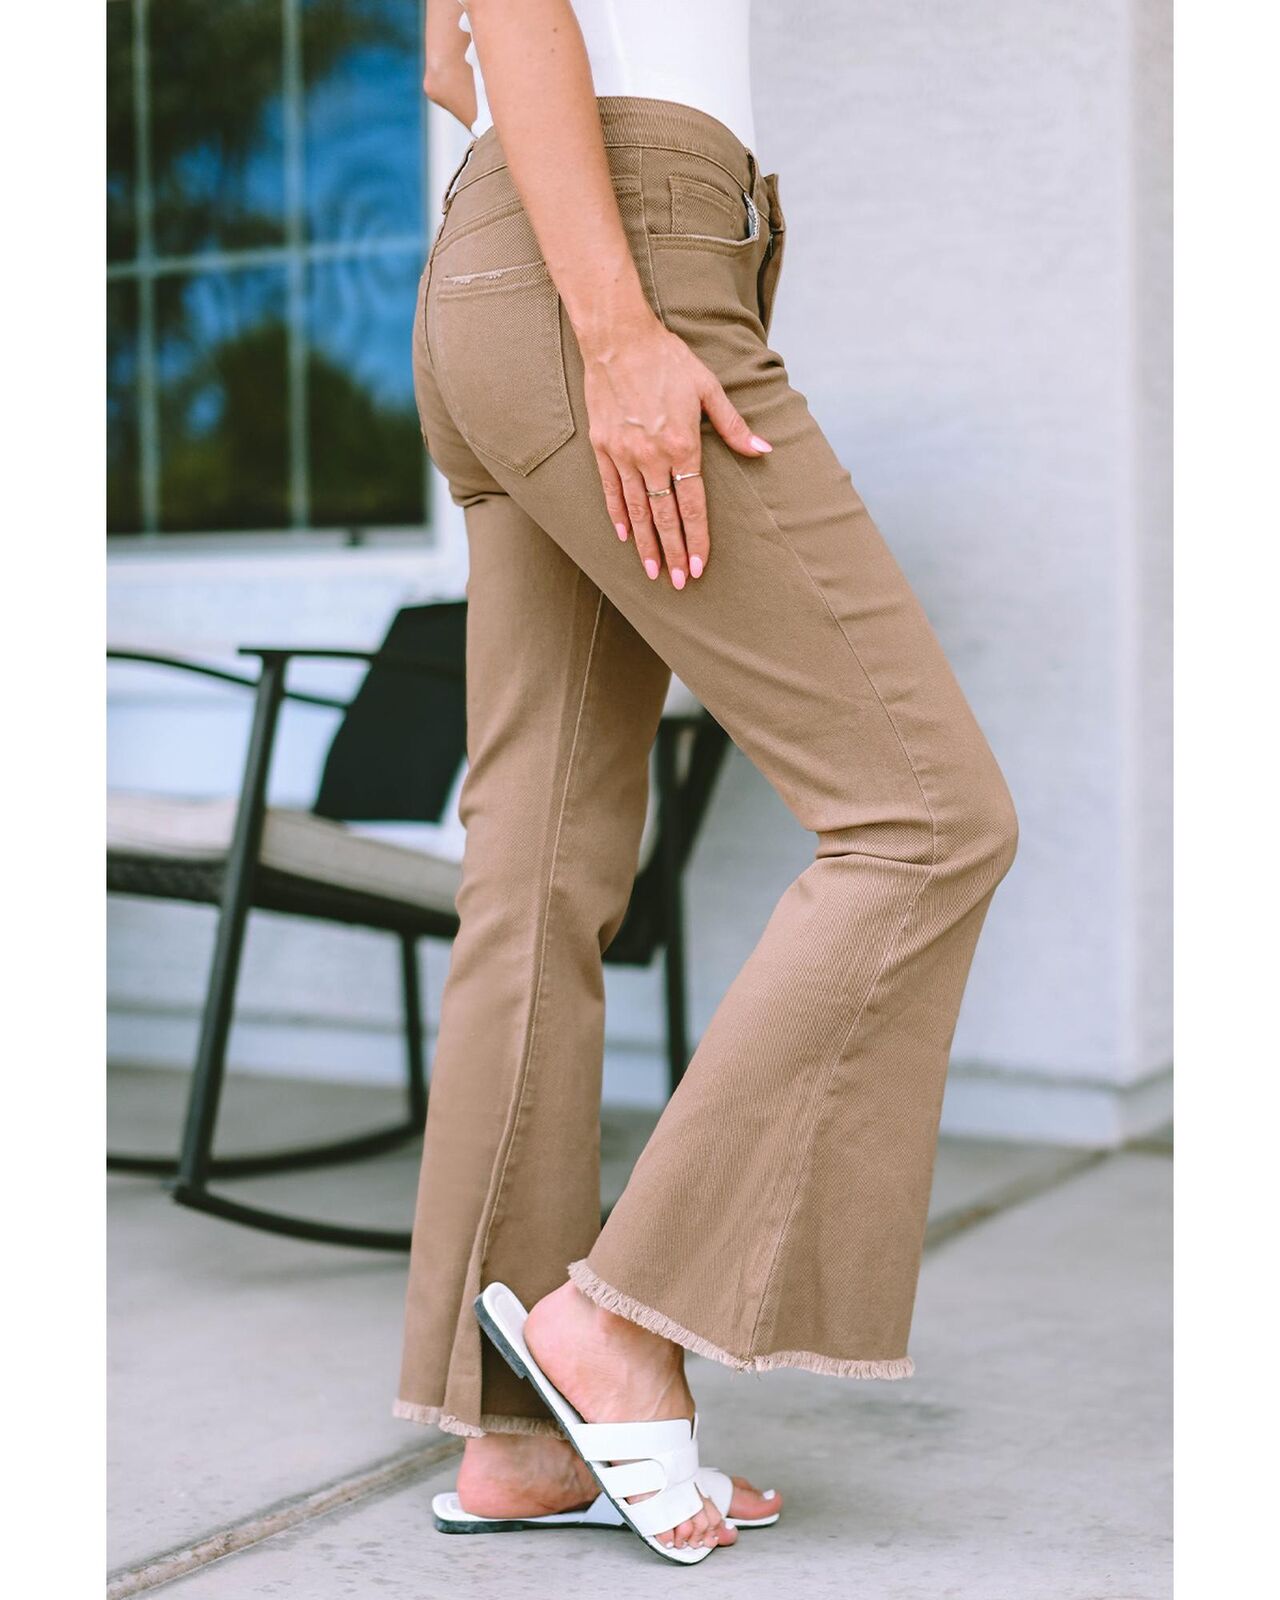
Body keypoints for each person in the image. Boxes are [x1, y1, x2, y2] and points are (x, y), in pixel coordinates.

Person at [394, 0, 1019, 1564]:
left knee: (535, 872)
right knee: (927, 819)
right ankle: (618, 1321)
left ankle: (522, 1439)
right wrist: (618, 328)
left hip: (498, 260)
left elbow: (446, 62)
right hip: (618, 249)